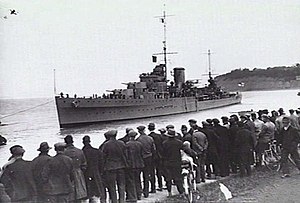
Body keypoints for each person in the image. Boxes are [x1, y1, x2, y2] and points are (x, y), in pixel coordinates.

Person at [101, 130, 127, 203]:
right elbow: (125, 155)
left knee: (112, 186)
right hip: (121, 166)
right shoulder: (121, 143)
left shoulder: (106, 145)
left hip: (110, 168)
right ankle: (122, 200)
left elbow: (103, 157)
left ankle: (114, 201)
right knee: (121, 185)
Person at [82, 136, 106, 203]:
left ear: (83, 142)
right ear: (90, 141)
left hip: (86, 174)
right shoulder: (97, 151)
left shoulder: (82, 152)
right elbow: (102, 163)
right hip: (96, 173)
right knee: (99, 189)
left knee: (89, 191)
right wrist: (101, 172)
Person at [64, 135, 87, 201]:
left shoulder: (64, 153)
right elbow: (84, 165)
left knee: (70, 196)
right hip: (79, 173)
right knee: (79, 194)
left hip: (68, 175)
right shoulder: (79, 151)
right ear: (72, 141)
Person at [162, 129, 184, 197]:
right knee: (178, 178)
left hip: (168, 162)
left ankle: (169, 193)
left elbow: (163, 154)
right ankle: (181, 192)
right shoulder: (179, 142)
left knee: (168, 179)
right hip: (177, 162)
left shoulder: (164, 143)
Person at [136, 125, 156, 197]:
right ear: (144, 130)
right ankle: (152, 189)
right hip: (149, 158)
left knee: (141, 175)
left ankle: (143, 191)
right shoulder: (150, 138)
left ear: (139, 131)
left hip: (142, 158)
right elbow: (154, 149)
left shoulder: (138, 140)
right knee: (149, 174)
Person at [125, 130, 145, 202]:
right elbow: (142, 154)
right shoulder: (139, 144)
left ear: (130, 136)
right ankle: (139, 194)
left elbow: (127, 156)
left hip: (131, 165)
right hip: (139, 164)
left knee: (131, 181)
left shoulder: (127, 145)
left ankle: (133, 196)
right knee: (138, 179)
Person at [148, 123, 164, 192]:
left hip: (152, 157)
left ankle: (153, 188)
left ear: (149, 129)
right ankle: (161, 186)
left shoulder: (149, 137)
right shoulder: (159, 136)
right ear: (154, 128)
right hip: (159, 156)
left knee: (152, 173)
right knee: (159, 172)